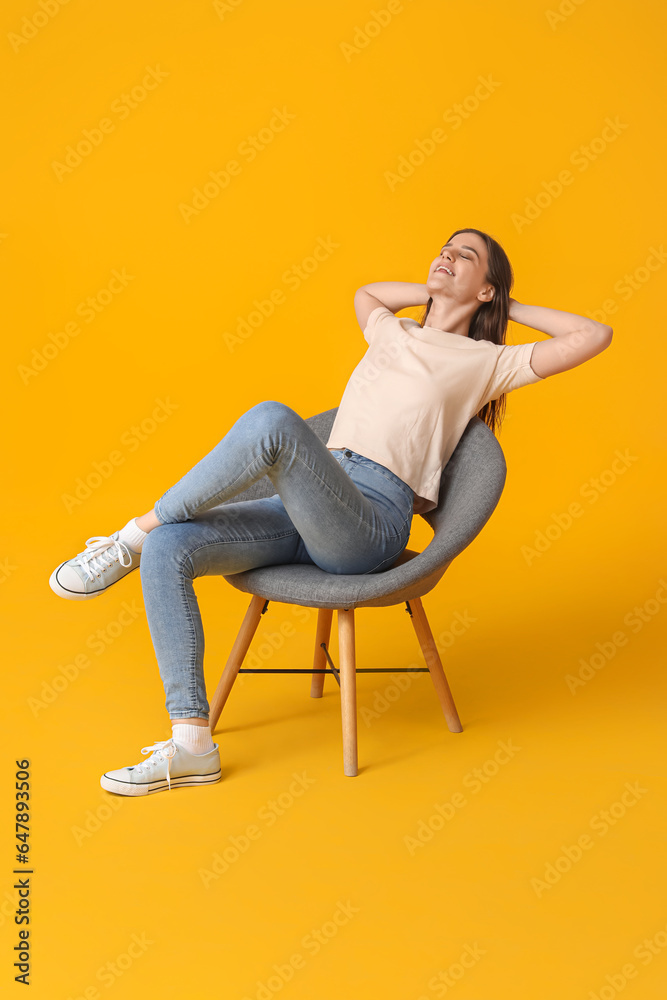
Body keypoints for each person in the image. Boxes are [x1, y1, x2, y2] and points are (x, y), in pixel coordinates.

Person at [48, 228, 613, 796]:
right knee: (175, 548)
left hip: (370, 521)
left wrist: (504, 304)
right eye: (444, 247)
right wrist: (439, 286)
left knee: (271, 421)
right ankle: (194, 744)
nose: (447, 255)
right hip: (310, 499)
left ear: (488, 289)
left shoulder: (488, 361)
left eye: (466, 256)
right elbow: (367, 294)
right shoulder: (393, 332)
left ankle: (134, 533)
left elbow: (594, 335)